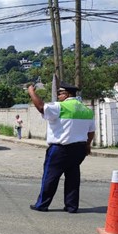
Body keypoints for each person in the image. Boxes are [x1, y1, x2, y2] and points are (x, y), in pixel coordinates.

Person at [27, 82, 95, 213]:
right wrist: (87, 145)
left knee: (50, 177)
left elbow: (41, 107)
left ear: (67, 94)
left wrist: (31, 92)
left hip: (60, 149)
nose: (58, 96)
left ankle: (42, 204)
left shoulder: (60, 107)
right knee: (73, 178)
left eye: (60, 93)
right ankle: (71, 206)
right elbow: (91, 131)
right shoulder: (87, 110)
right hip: (79, 149)